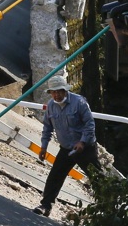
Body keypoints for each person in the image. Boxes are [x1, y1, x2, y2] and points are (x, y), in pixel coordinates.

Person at [34, 76, 100, 217]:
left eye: (59, 91)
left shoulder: (79, 102)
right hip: (66, 149)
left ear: (65, 91)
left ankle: (108, 205)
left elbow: (90, 124)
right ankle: (46, 206)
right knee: (55, 176)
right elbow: (47, 127)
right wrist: (43, 147)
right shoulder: (51, 106)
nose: (56, 95)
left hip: (85, 147)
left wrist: (82, 142)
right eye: (53, 92)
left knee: (97, 178)